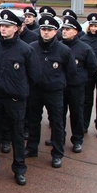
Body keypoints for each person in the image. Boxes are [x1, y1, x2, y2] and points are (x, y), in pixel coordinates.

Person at [0, 10, 38, 185]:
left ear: (16, 28)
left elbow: (34, 76)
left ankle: (19, 168)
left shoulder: (26, 50)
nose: (3, 29)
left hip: (15, 99)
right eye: (2, 26)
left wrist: (20, 90)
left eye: (7, 26)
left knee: (17, 135)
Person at [25, 17, 76, 168]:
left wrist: (59, 84)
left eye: (49, 30)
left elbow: (71, 72)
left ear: (55, 31)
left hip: (54, 92)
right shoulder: (32, 47)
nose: (46, 32)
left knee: (57, 122)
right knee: (33, 120)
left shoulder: (64, 50)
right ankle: (32, 147)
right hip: (35, 90)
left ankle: (57, 153)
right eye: (43, 29)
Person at [60, 16, 97, 153]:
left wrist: (82, 78)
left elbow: (93, 67)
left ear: (75, 32)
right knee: (59, 114)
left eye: (68, 29)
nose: (64, 31)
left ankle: (77, 140)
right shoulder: (58, 46)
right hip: (60, 87)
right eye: (63, 29)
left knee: (76, 114)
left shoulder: (84, 48)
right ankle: (59, 138)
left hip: (76, 87)